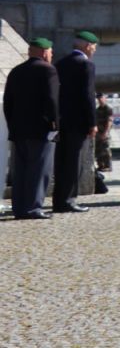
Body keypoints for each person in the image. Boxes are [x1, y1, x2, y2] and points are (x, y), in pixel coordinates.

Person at [4, 37, 59, 219]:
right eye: (50, 52)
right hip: (41, 130)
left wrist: (13, 125)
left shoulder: (16, 71)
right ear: (44, 52)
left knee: (21, 171)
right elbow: (52, 100)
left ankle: (19, 208)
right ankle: (33, 207)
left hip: (19, 130)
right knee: (40, 169)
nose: (51, 55)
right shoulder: (48, 70)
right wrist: (55, 125)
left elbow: (8, 103)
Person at [52, 30, 99, 214]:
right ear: (87, 46)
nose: (94, 50)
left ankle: (59, 199)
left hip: (62, 121)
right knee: (74, 162)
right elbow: (88, 95)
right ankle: (68, 200)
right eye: (94, 47)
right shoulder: (86, 65)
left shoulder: (60, 63)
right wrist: (92, 122)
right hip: (78, 122)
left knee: (62, 161)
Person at [92, 91, 113, 191]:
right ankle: (101, 165)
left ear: (105, 98)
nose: (100, 99)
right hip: (98, 133)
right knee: (98, 150)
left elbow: (109, 121)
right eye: (98, 98)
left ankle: (108, 165)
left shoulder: (108, 109)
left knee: (106, 149)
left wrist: (105, 132)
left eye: (101, 98)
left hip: (104, 132)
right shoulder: (97, 110)